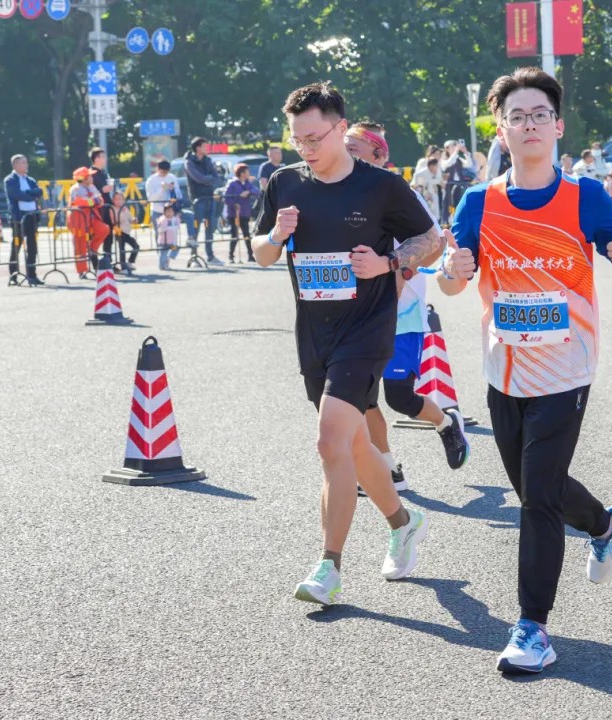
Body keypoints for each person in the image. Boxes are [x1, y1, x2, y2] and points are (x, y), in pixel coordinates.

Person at [439, 66, 612, 675]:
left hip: (566, 367)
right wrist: (451, 271)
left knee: (537, 502)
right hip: (504, 368)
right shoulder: (479, 202)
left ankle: (533, 628)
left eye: (539, 115)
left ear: (557, 126)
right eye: (516, 117)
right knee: (534, 490)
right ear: (500, 130)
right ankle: (607, 523)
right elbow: (453, 280)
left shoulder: (585, 196)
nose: (529, 125)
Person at [251, 82, 444, 607]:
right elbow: (261, 253)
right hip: (315, 333)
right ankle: (403, 522)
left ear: (340, 128)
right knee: (355, 446)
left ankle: (328, 567)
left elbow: (431, 240)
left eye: (314, 137)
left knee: (329, 440)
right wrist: (276, 236)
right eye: (297, 140)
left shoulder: (381, 186)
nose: (306, 148)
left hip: (366, 329)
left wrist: (388, 262)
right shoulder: (285, 183)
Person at [343, 121, 470, 494]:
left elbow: (435, 243)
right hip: (357, 315)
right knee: (362, 399)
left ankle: (446, 423)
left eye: (353, 150)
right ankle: (387, 469)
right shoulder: (339, 196)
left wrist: (402, 271)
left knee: (399, 396)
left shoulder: (400, 193)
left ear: (379, 155)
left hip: (402, 313)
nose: (344, 156)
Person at [3, 154, 44, 286]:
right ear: (15, 165)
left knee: (32, 246)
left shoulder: (30, 180)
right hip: (18, 217)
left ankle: (32, 275)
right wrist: (31, 195)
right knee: (16, 246)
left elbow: (39, 192)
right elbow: (16, 195)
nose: (26, 165)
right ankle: (13, 275)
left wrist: (29, 193)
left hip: (32, 216)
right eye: (23, 162)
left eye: (26, 162)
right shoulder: (10, 180)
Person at [183, 137, 224, 266]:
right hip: (197, 199)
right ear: (197, 148)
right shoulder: (189, 162)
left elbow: (217, 178)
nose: (207, 148)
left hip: (210, 197)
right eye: (204, 146)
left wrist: (209, 179)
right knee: (196, 228)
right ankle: (194, 257)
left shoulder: (208, 161)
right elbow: (198, 178)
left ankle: (210, 256)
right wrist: (209, 179)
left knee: (209, 228)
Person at [68, 166, 109, 278]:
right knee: (80, 244)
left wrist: (92, 201)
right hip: (78, 220)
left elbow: (100, 200)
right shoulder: (75, 189)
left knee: (104, 229)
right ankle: (81, 271)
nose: (92, 177)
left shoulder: (92, 187)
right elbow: (79, 202)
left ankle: (92, 249)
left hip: (91, 216)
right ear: (84, 178)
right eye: (90, 176)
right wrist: (93, 201)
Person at [222, 163, 260, 263]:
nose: (249, 173)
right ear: (242, 173)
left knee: (246, 234)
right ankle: (231, 256)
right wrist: (235, 203)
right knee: (234, 235)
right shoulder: (232, 184)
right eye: (247, 172)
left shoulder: (248, 184)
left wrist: (249, 192)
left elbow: (257, 191)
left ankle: (250, 256)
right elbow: (226, 198)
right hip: (234, 214)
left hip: (245, 213)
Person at [145, 160, 185, 246]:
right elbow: (151, 198)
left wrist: (173, 190)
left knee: (172, 233)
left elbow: (178, 194)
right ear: (157, 169)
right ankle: (160, 251)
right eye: (162, 172)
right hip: (157, 211)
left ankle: (172, 250)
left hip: (170, 211)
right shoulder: (151, 180)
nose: (164, 174)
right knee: (159, 234)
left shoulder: (172, 177)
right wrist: (162, 189)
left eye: (166, 172)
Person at [88, 147, 116, 263]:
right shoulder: (91, 173)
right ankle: (94, 259)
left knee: (109, 233)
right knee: (98, 233)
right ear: (95, 159)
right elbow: (93, 190)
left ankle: (107, 259)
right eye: (102, 157)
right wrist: (104, 189)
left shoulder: (104, 172)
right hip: (97, 208)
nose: (104, 159)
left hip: (107, 205)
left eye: (104, 156)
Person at [111, 191, 139, 273]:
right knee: (122, 249)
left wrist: (133, 220)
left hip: (126, 232)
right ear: (113, 200)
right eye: (116, 199)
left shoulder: (125, 208)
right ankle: (123, 267)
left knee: (136, 246)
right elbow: (114, 220)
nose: (119, 201)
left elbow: (130, 218)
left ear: (123, 200)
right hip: (119, 232)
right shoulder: (113, 209)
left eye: (121, 199)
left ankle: (130, 262)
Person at [410, 157, 441, 223]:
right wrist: (424, 193)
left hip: (432, 194)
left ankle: (436, 222)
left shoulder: (437, 172)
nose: (437, 168)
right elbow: (416, 184)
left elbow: (438, 181)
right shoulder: (421, 173)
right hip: (422, 195)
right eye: (436, 166)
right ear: (431, 166)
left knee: (435, 210)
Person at [155, 203, 180, 270]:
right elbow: (160, 228)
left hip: (172, 242)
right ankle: (162, 266)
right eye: (167, 211)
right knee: (162, 255)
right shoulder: (162, 219)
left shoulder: (174, 219)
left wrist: (177, 218)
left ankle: (168, 258)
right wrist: (165, 221)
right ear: (164, 212)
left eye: (171, 211)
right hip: (163, 242)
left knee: (176, 248)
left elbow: (178, 225)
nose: (169, 213)